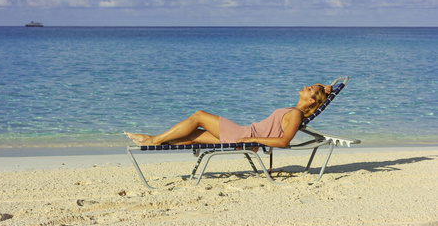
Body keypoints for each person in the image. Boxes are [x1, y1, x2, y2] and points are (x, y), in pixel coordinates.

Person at [124, 84, 331, 148]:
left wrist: (252, 139)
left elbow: (284, 141)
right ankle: (157, 142)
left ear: (312, 100)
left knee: (199, 115)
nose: (305, 86)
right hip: (244, 134)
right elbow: (321, 94)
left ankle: (153, 140)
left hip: (243, 135)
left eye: (310, 88)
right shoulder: (295, 110)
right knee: (192, 135)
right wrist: (327, 87)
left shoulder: (295, 115)